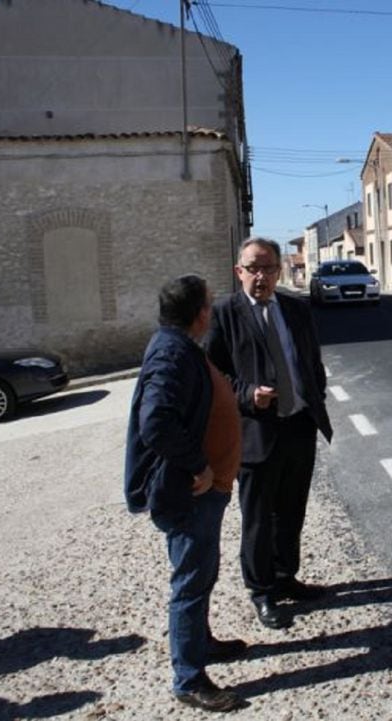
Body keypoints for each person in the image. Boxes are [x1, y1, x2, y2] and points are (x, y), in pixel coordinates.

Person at [124, 274, 247, 713]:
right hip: (190, 492)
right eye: (209, 305)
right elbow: (154, 421)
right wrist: (198, 465)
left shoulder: (177, 346)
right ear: (199, 314)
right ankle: (189, 678)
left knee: (201, 575)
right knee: (191, 582)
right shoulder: (171, 354)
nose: (212, 312)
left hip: (206, 491)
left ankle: (201, 643)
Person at [205, 237, 333, 630]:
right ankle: (261, 592)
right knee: (259, 517)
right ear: (238, 271)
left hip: (298, 425)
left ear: (279, 270)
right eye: (253, 268)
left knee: (292, 510)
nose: (260, 276)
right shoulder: (225, 313)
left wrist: (315, 393)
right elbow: (213, 373)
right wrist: (247, 395)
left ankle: (285, 575)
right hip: (255, 431)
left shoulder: (295, 308)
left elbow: (310, 359)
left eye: (268, 268)